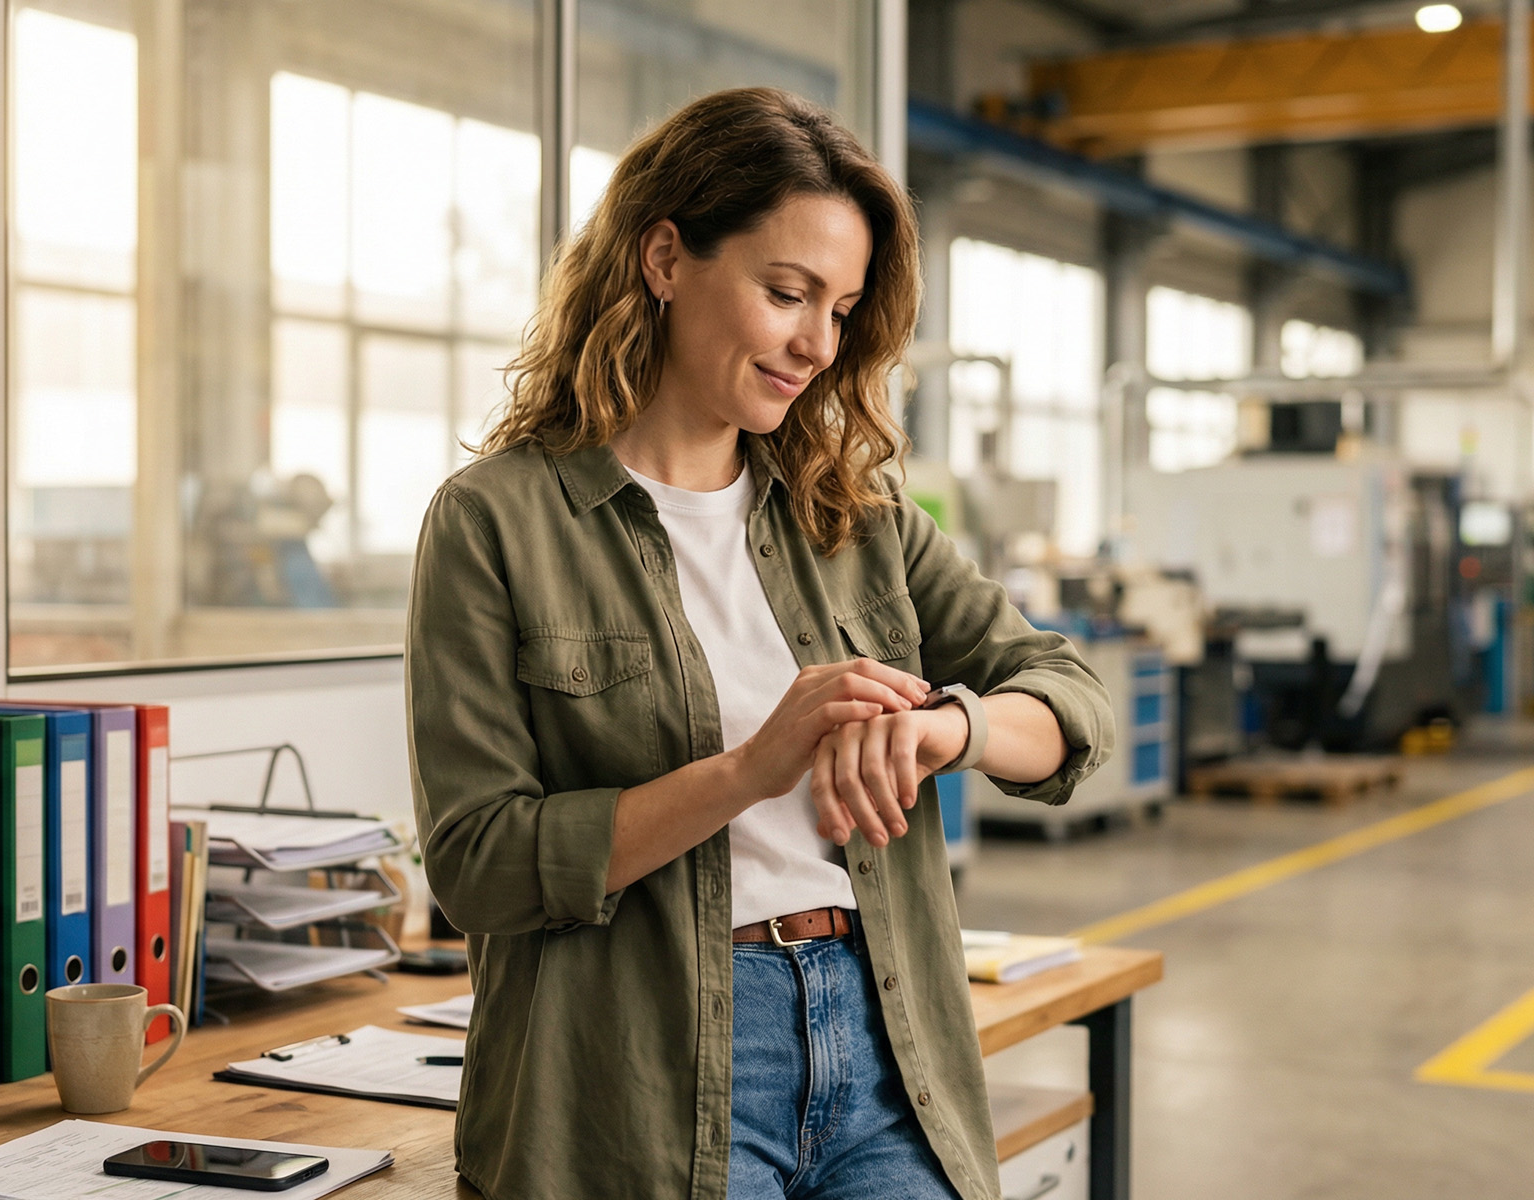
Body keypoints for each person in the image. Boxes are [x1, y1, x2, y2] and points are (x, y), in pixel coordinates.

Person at [407, 86, 1114, 1200]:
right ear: (665, 258)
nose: (814, 344)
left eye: (838, 309)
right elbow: (480, 867)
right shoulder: (496, 522)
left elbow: (1071, 701)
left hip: (882, 1046)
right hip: (642, 1076)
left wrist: (944, 731)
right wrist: (747, 772)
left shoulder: (858, 522)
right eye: (786, 293)